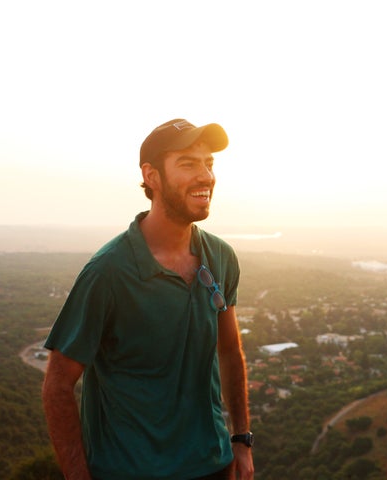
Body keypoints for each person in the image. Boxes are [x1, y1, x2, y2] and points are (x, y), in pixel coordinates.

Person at [42, 119, 254, 480]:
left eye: (209, 163)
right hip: (129, 471)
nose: (205, 176)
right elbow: (57, 385)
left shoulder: (220, 257)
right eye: (188, 163)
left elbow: (230, 351)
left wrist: (241, 441)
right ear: (151, 176)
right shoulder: (108, 272)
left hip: (212, 465)